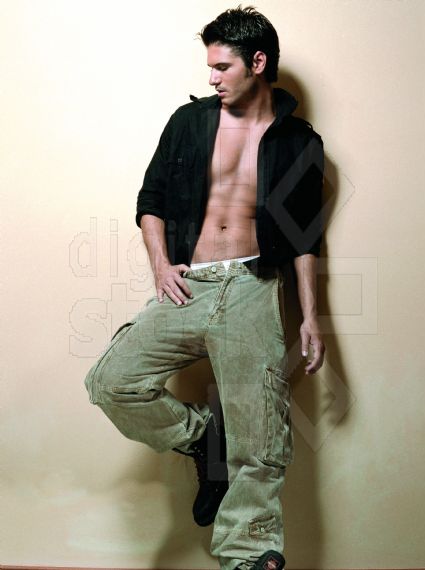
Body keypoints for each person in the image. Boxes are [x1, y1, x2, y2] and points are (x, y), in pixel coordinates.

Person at [84, 6, 325, 570]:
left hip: (252, 286)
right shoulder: (189, 122)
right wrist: (161, 267)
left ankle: (247, 553)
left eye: (222, 67)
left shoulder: (299, 142)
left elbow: (305, 236)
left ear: (257, 62)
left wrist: (311, 317)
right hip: (189, 284)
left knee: (257, 432)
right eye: (209, 66)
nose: (211, 77)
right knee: (111, 382)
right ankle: (201, 438)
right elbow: (151, 201)